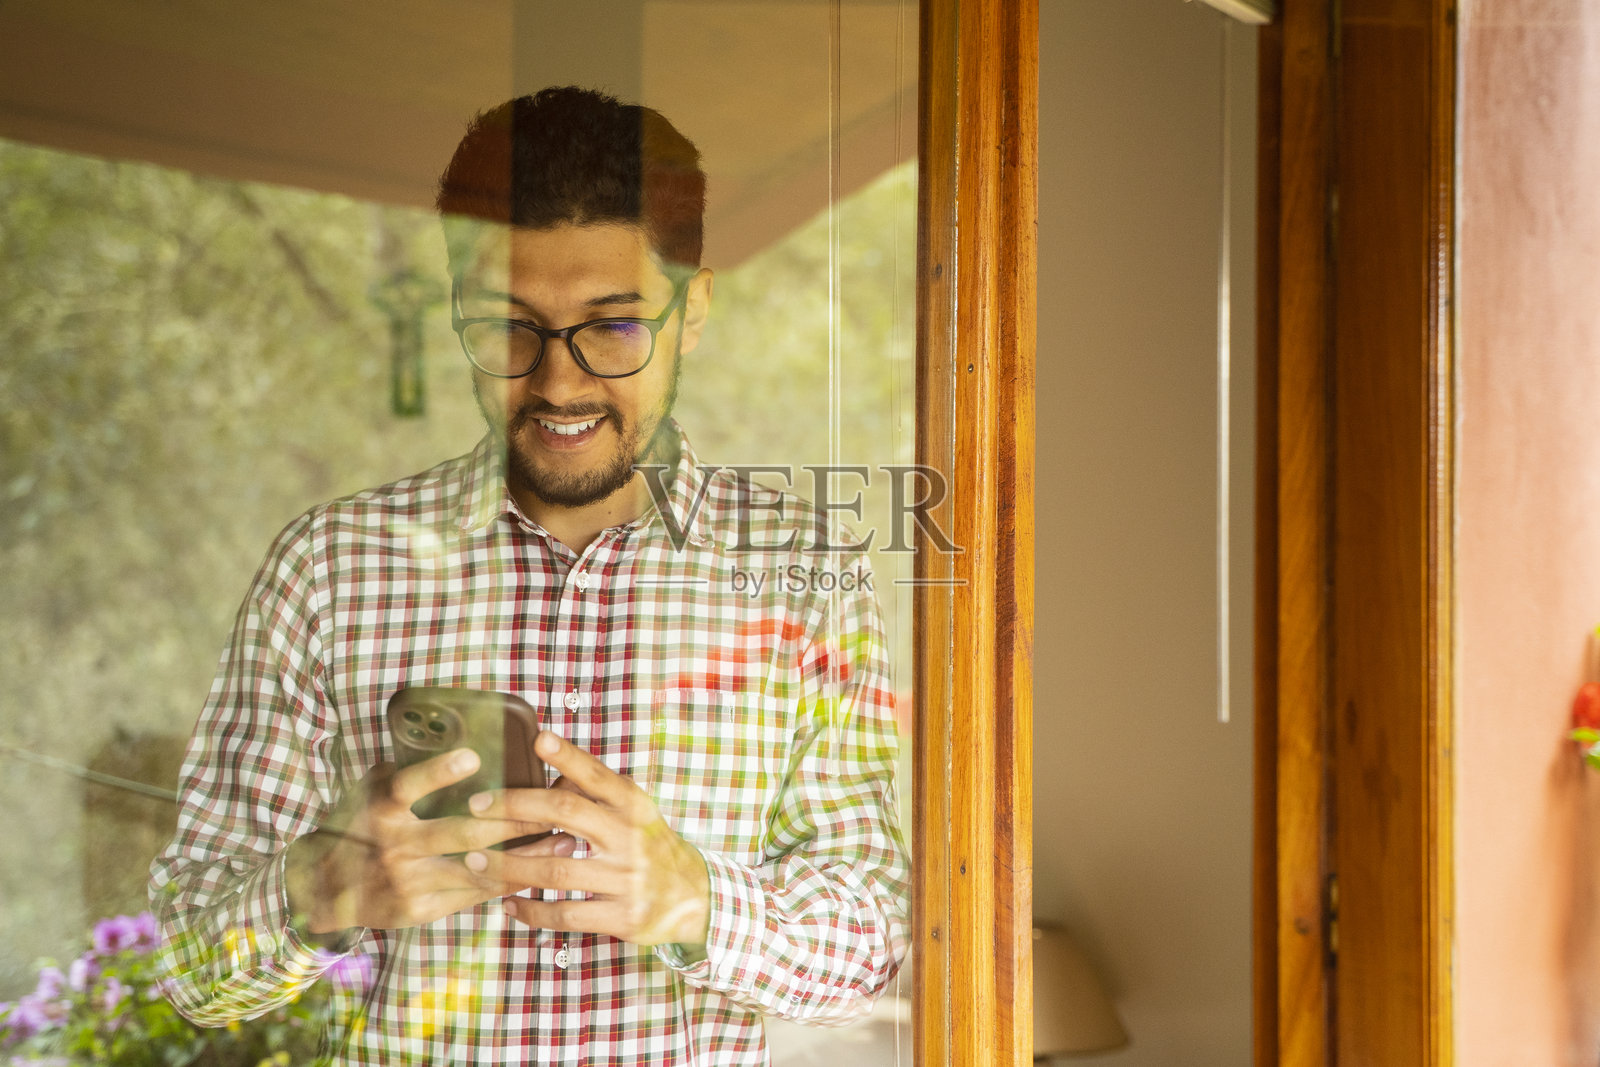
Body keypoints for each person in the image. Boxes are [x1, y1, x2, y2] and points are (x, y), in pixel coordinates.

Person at [149, 86, 909, 1065]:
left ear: (695, 309)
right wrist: (324, 888)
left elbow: (876, 934)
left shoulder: (805, 574)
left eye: (613, 325)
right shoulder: (328, 570)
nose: (558, 381)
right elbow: (185, 962)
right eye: (510, 326)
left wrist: (700, 902)